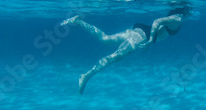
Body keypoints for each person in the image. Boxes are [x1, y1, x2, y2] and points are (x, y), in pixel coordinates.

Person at [60, 6, 191, 94]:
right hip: (142, 35)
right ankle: (86, 76)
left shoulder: (178, 17)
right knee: (116, 56)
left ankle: (78, 21)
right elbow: (157, 22)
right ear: (185, 11)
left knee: (105, 39)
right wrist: (150, 41)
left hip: (140, 30)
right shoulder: (178, 18)